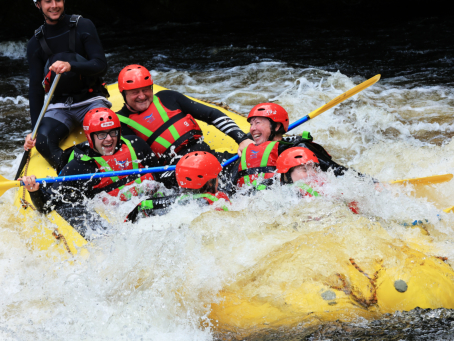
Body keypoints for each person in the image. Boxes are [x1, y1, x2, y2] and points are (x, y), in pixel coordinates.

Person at [20, 108, 162, 237]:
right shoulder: (80, 167)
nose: (109, 139)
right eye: (101, 135)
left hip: (148, 204)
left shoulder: (135, 144)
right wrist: (34, 191)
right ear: (90, 137)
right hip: (119, 220)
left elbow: (160, 176)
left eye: (113, 132)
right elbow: (46, 206)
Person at [115, 64, 254, 187]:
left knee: (254, 164)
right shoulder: (120, 125)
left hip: (208, 157)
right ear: (123, 94)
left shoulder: (168, 97)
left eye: (145, 90)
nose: (142, 96)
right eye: (135, 92)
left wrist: (242, 139)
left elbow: (211, 114)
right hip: (176, 175)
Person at [24, 0, 110, 170]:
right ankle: (71, 173)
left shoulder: (83, 25)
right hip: (60, 106)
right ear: (38, 5)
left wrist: (71, 66)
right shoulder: (35, 43)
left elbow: (100, 65)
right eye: (48, 1)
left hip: (90, 99)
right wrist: (34, 130)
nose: (54, 5)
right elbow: (35, 89)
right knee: (42, 140)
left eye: (58, 0)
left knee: (106, 132)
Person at [232, 102, 349, 192]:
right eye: (251, 124)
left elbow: (340, 173)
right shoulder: (247, 155)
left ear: (277, 126)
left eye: (257, 123)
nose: (252, 129)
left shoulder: (300, 149)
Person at [127, 151, 230, 222]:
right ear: (210, 182)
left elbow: (140, 206)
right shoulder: (218, 199)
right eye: (216, 176)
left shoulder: (171, 201)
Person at [276, 147, 359, 213]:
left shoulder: (326, 185)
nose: (312, 173)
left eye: (313, 168)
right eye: (304, 170)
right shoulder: (286, 195)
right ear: (286, 176)